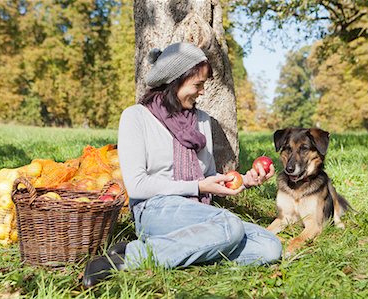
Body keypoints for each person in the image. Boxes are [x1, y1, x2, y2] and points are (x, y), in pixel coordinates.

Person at [82, 42, 282, 288]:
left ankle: (171, 251)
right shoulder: (136, 116)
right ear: (175, 80)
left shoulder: (202, 120)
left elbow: (208, 177)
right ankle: (125, 259)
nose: (202, 92)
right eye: (198, 84)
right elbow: (136, 186)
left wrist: (246, 180)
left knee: (270, 246)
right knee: (229, 225)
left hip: (200, 212)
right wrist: (198, 186)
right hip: (155, 209)